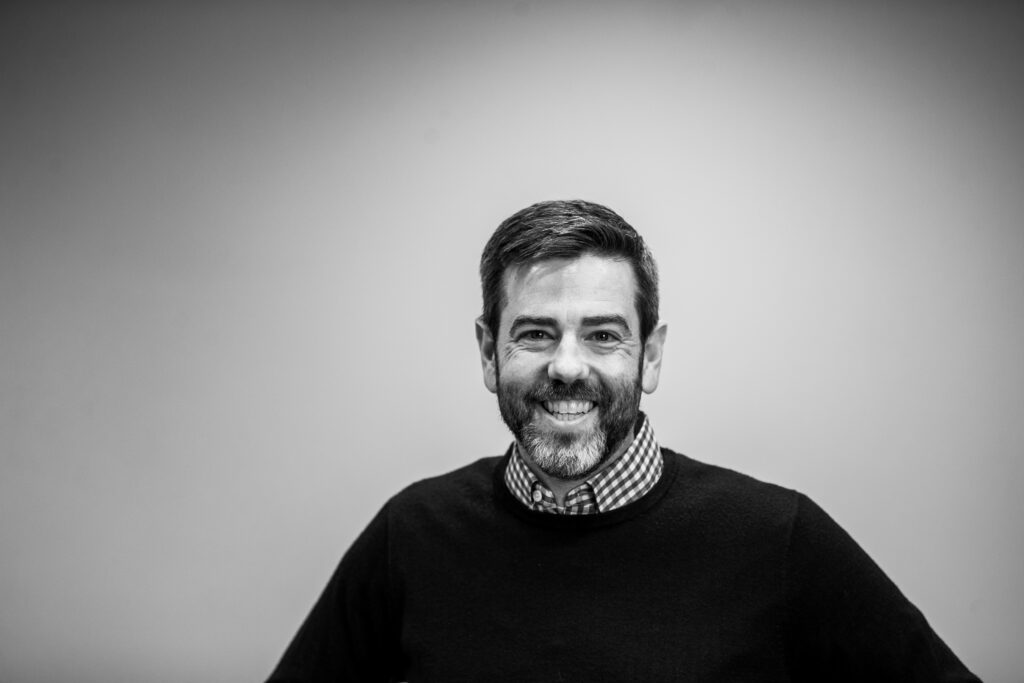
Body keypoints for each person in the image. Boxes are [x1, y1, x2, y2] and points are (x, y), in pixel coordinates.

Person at [267, 200, 980, 682]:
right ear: (488, 353)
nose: (566, 366)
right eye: (535, 333)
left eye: (603, 335)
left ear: (651, 356)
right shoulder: (412, 533)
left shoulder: (776, 537)